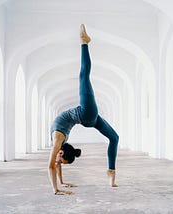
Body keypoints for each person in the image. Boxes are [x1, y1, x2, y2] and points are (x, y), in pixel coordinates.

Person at [48, 24, 119, 195]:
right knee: (114, 138)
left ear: (61, 152)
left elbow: (51, 166)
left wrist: (57, 188)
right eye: (62, 161)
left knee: (83, 75)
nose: (59, 162)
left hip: (87, 114)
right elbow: (56, 164)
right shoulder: (60, 144)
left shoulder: (58, 140)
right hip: (87, 115)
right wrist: (61, 184)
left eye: (61, 160)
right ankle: (84, 43)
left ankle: (84, 42)